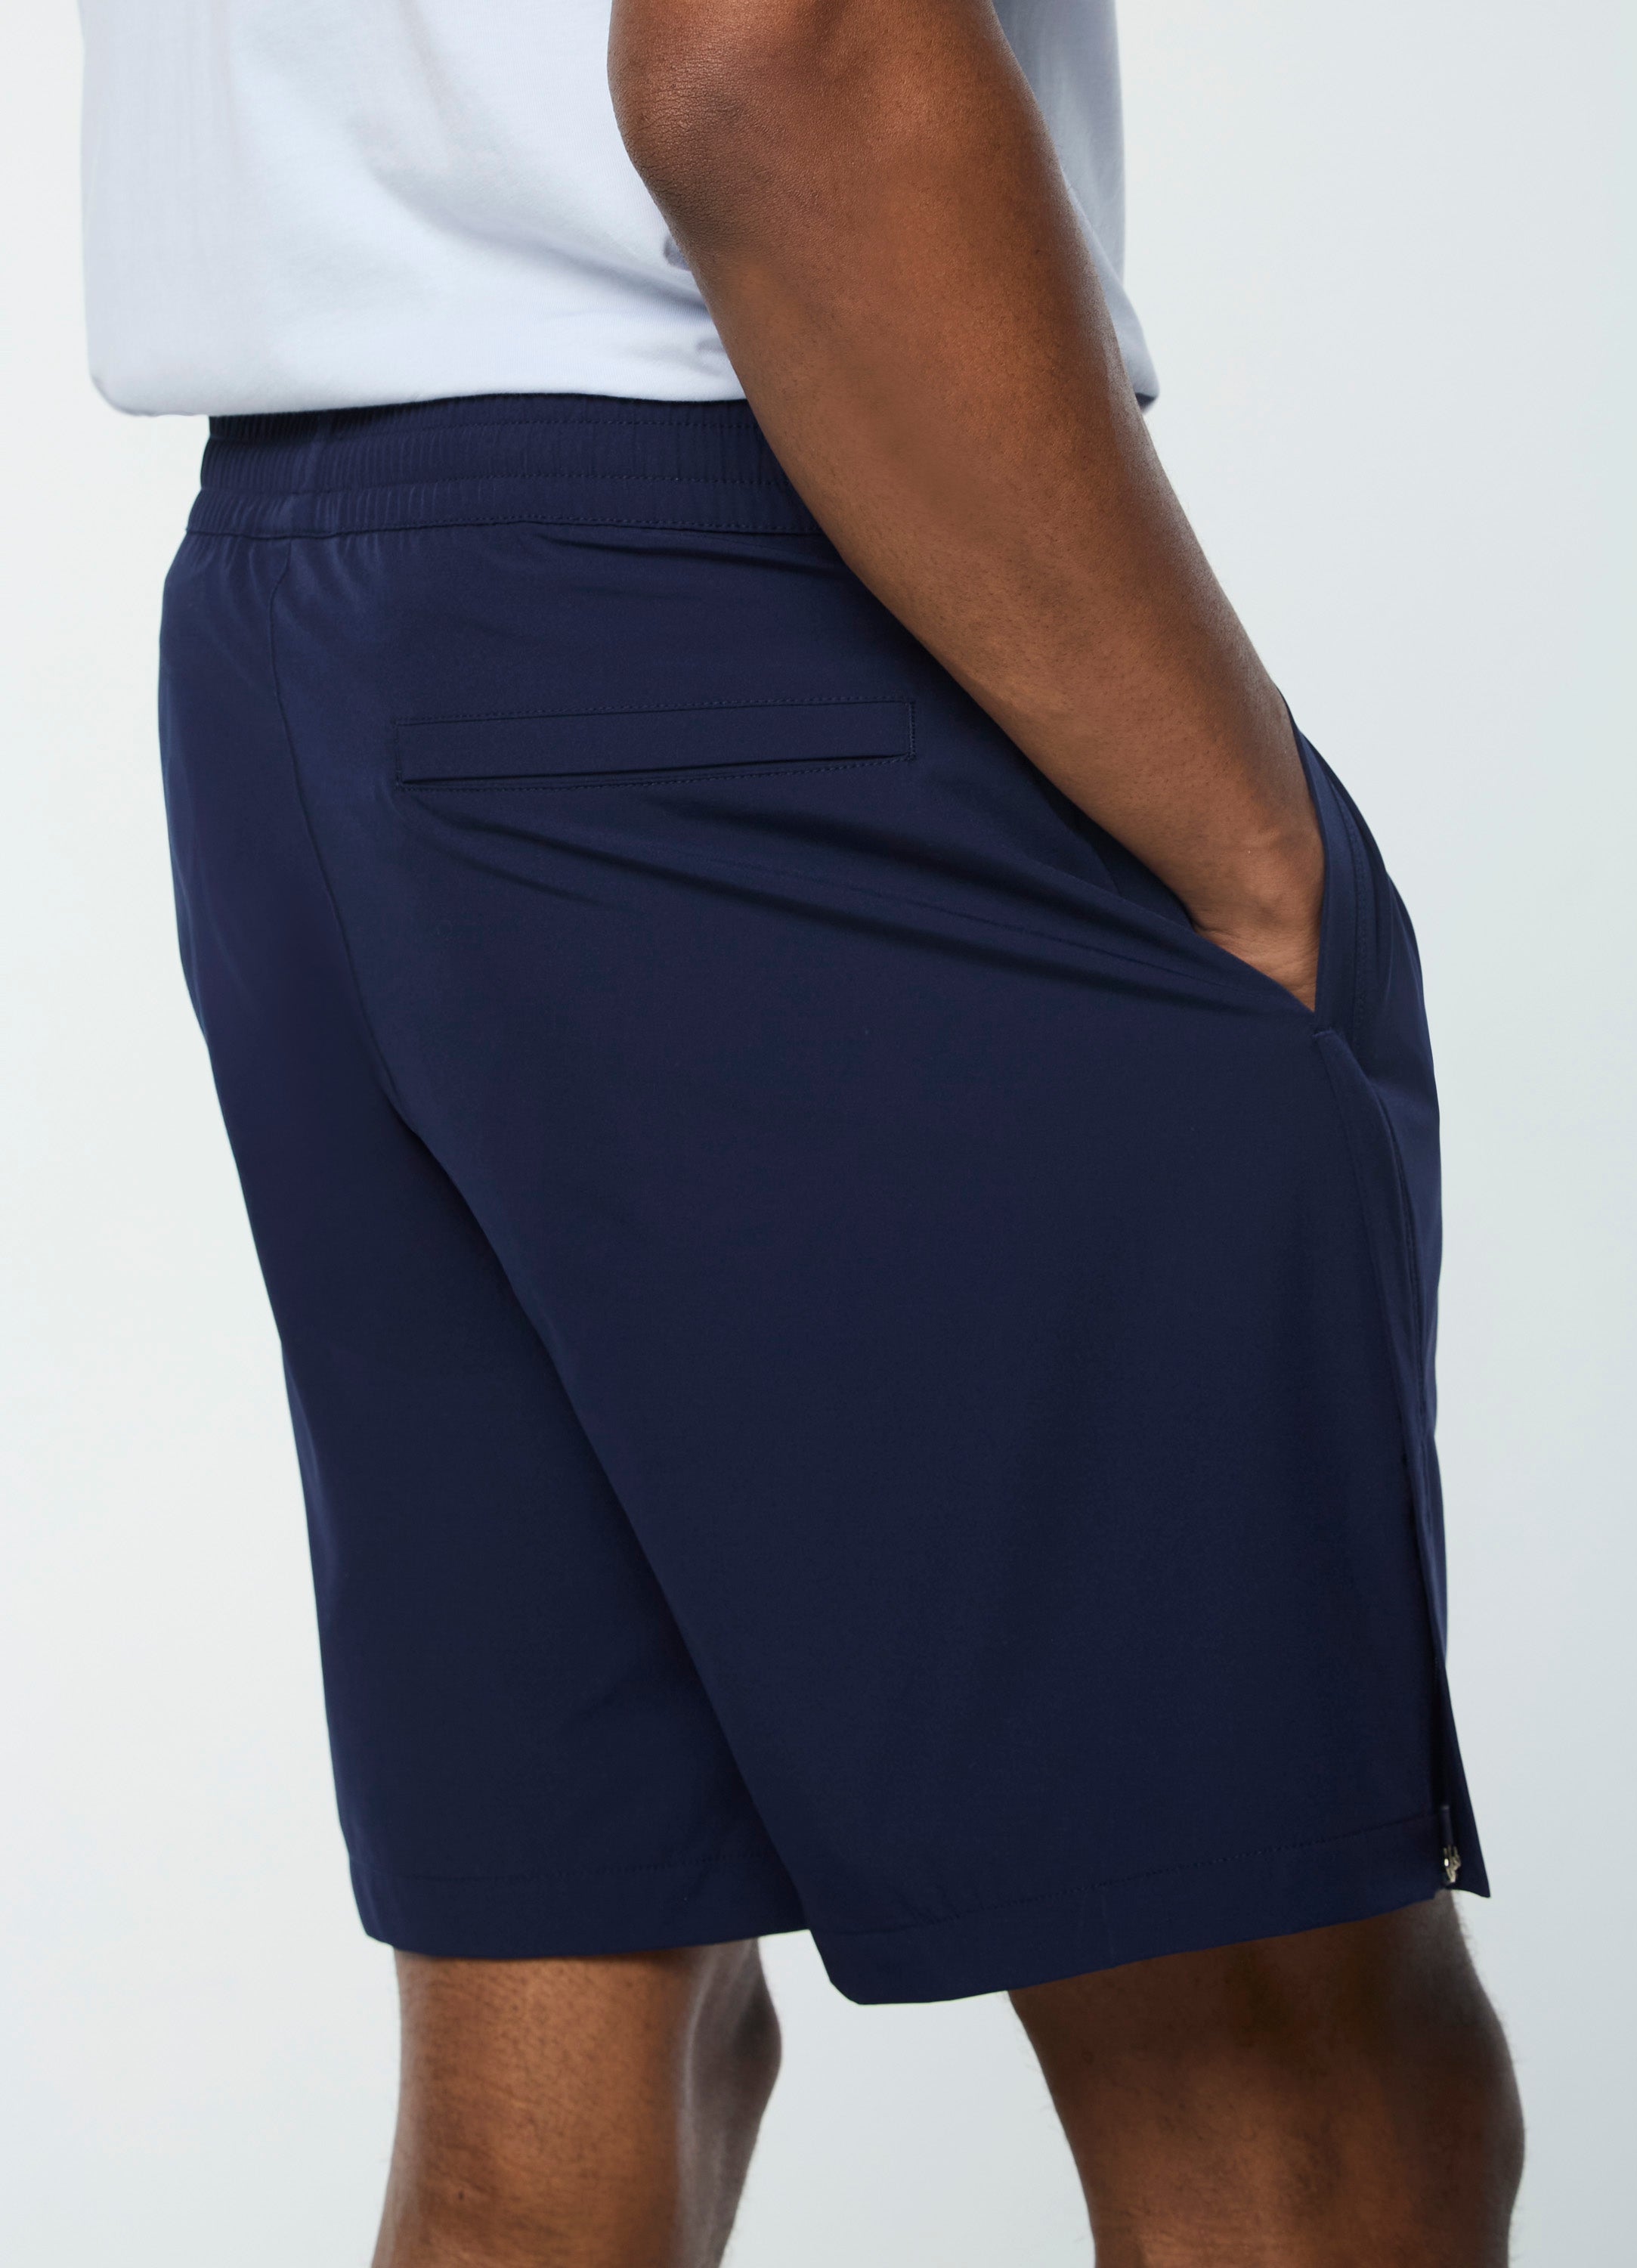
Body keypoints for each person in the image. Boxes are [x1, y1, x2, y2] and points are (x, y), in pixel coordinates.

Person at [80, 1, 1524, 2259]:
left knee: (576, 2056)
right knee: (1287, 2068)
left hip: (316, 627)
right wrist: (1254, 849)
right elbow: (775, 43)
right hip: (756, 610)